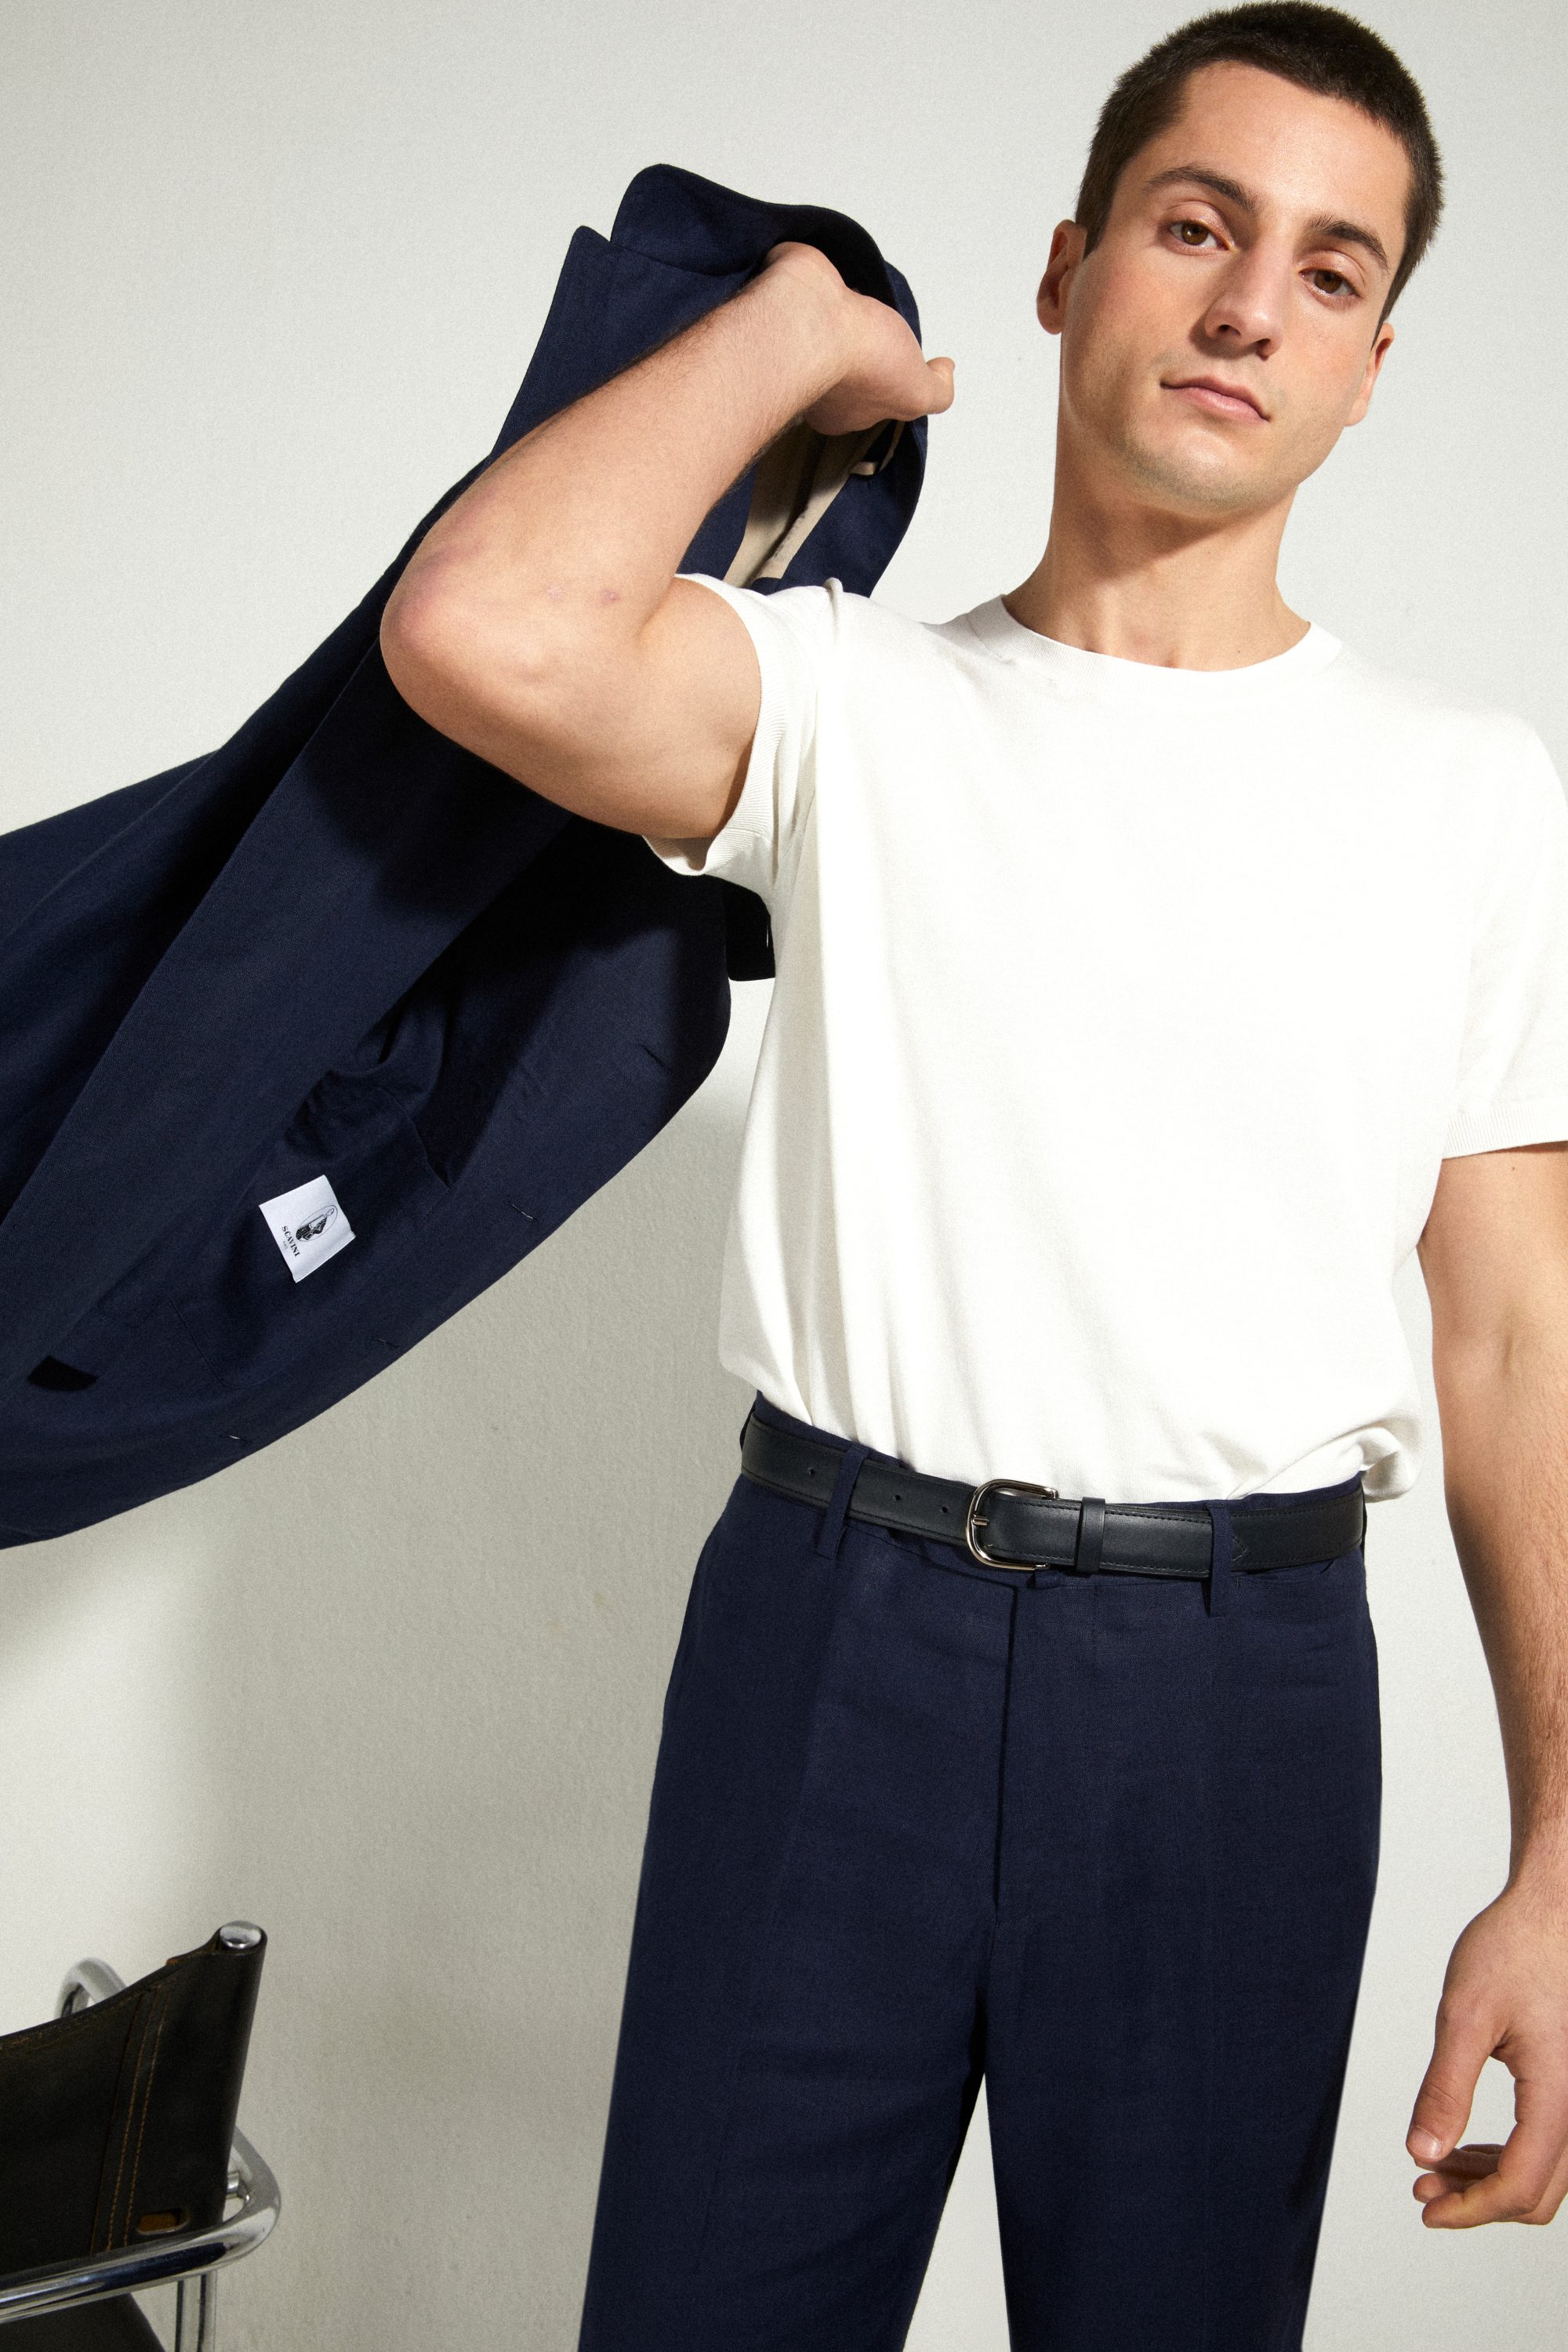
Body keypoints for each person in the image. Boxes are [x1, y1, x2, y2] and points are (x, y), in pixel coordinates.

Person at [379, 3, 1568, 2342]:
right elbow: (478, 625)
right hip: (833, 1635)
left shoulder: (1469, 794)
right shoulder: (850, 704)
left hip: (1237, 1700)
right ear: (1068, 268)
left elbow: (1521, 1343)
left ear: (1371, 365)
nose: (1252, 306)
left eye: (1330, 271)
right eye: (1198, 227)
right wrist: (791, 333)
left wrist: (1566, 1848)